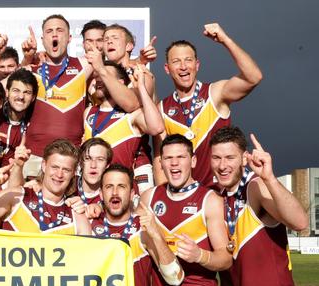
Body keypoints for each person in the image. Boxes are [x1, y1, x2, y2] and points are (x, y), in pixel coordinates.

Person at [209, 126, 305, 286]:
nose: (222, 165)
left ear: (244, 158)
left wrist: (270, 178)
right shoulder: (218, 197)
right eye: (216, 158)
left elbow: (300, 222)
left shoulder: (256, 187)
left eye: (230, 157)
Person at [140, 133, 232, 286]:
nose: (174, 163)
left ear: (192, 161)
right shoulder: (149, 197)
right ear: (160, 163)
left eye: (180, 157)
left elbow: (225, 259)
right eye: (168, 158)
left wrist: (200, 255)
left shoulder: (209, 200)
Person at [20, 14, 139, 177]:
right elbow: (2, 87)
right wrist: (26, 59)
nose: (54, 34)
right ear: (43, 38)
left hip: (72, 158)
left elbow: (132, 104)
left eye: (59, 30)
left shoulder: (84, 64)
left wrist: (139, 60)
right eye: (49, 31)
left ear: (69, 38)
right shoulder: (30, 70)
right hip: (33, 156)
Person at [156, 23, 262, 187]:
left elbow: (254, 77)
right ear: (167, 68)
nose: (183, 66)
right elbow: (160, 159)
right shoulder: (162, 108)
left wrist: (225, 40)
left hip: (222, 190)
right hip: (187, 197)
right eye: (176, 61)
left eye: (188, 60)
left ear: (197, 65)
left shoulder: (215, 93)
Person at [91, 164, 174, 286]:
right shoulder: (88, 226)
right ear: (100, 193)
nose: (115, 192)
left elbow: (175, 276)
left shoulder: (143, 228)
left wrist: (156, 234)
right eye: (109, 187)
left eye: (121, 186)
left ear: (132, 192)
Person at [0, 139, 91, 236]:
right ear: (43, 165)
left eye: (66, 170)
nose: (59, 174)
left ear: (74, 172)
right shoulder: (17, 197)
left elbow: (89, 261)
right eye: (55, 167)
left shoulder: (77, 215)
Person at [82, 61, 164, 173]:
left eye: (105, 75)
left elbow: (157, 128)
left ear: (120, 83)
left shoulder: (132, 115)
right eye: (98, 76)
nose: (99, 79)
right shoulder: (88, 112)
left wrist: (141, 88)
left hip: (119, 186)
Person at [76, 138, 112, 206]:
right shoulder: (67, 187)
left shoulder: (113, 193)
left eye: (100, 159)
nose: (93, 165)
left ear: (107, 165)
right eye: (88, 158)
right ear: (80, 162)